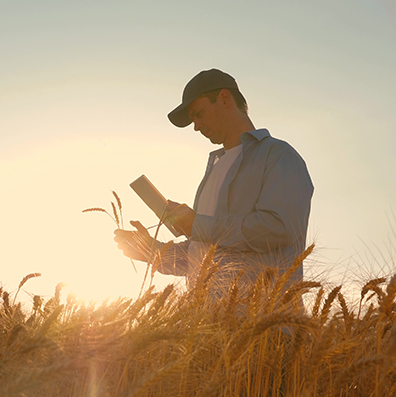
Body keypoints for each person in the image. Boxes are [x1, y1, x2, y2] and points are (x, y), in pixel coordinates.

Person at [114, 68, 313, 296]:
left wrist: (196, 225)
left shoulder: (278, 155)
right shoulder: (214, 170)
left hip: (262, 324)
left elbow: (279, 229)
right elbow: (204, 254)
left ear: (225, 98)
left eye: (199, 113)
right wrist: (153, 251)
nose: (196, 126)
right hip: (208, 325)